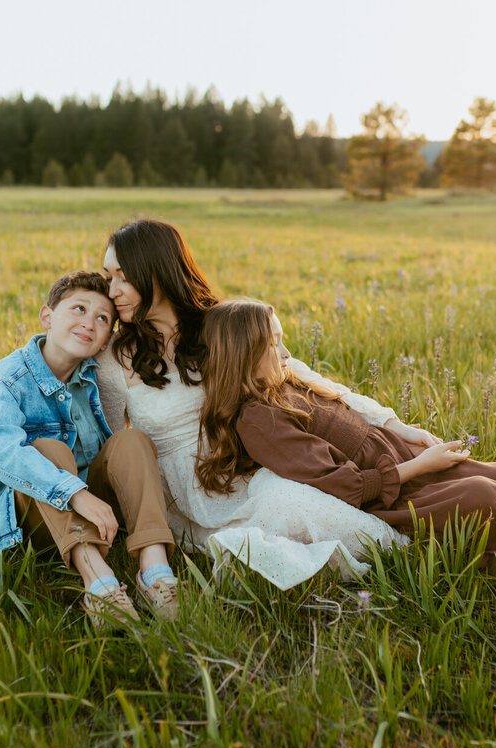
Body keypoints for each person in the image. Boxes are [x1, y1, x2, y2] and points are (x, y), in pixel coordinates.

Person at [195, 299, 496, 577]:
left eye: (282, 338)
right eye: (273, 343)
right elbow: (339, 485)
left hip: (403, 465)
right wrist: (419, 467)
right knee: (482, 493)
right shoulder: (257, 421)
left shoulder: (288, 384)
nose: (285, 350)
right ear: (243, 354)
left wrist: (405, 438)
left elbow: (354, 415)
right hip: (388, 494)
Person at [93, 220, 416, 590]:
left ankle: (407, 551)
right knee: (246, 540)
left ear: (157, 272)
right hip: (180, 499)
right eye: (108, 277)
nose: (112, 291)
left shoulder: (219, 326)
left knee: (292, 500)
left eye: (122, 277)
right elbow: (116, 449)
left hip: (241, 467)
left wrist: (390, 423)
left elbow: (297, 374)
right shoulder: (114, 359)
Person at [0, 270, 180, 626]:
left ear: (103, 343)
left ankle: (156, 573)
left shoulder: (94, 373)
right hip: (38, 516)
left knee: (131, 440)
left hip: (97, 511)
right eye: (78, 309)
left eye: (102, 319)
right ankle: (100, 584)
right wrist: (75, 494)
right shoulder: (11, 375)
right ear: (47, 317)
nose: (89, 323)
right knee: (49, 449)